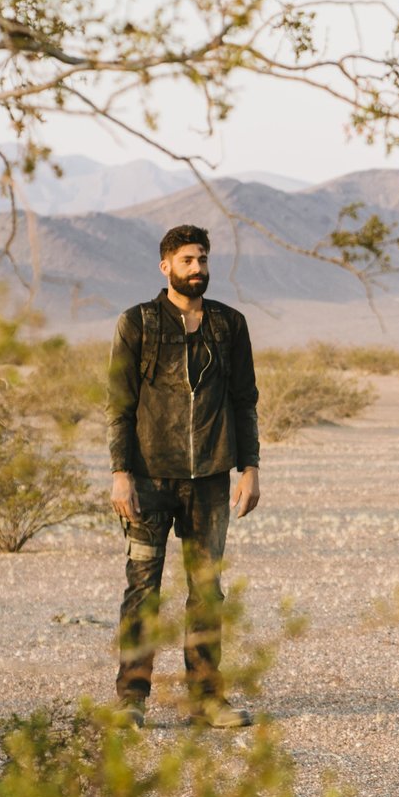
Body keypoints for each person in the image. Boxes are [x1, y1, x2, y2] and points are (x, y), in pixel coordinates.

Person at [107, 224, 263, 729]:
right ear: (166, 266)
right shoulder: (139, 324)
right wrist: (120, 472)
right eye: (188, 261)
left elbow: (245, 401)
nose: (198, 269)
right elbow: (120, 406)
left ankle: (205, 699)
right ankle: (131, 699)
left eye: (203, 260)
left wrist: (250, 469)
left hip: (212, 480)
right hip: (150, 479)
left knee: (206, 590)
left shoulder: (229, 325)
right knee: (142, 589)